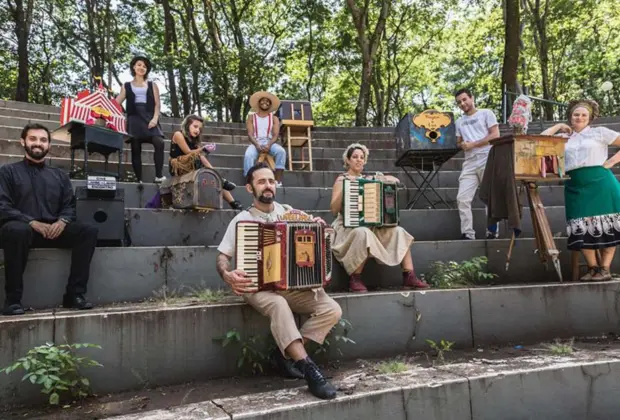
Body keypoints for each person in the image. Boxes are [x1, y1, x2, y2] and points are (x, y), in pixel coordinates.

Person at [216, 162, 340, 400]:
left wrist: (317, 228)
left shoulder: (289, 211)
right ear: (250, 188)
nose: (268, 186)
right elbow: (222, 256)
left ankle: (284, 355)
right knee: (278, 305)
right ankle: (310, 370)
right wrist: (227, 274)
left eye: (271, 181)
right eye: (261, 181)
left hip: (290, 285)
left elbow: (312, 241)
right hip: (257, 286)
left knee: (331, 309)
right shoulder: (242, 219)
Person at [0, 124, 98, 315]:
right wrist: (31, 222)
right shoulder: (7, 172)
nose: (38, 143)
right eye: (33, 139)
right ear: (23, 142)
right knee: (16, 230)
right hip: (22, 230)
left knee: (88, 231)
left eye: (43, 140)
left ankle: (74, 295)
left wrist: (62, 222)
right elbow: (3, 205)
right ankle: (12, 300)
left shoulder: (59, 176)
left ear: (49, 145)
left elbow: (70, 206)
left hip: (53, 230)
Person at [329, 143, 430, 293]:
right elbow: (333, 210)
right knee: (362, 232)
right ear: (348, 160)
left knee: (398, 231)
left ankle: (409, 276)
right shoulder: (341, 179)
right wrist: (345, 188)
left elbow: (394, 180)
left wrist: (385, 178)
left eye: (362, 157)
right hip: (347, 227)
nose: (359, 160)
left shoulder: (369, 178)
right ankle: (355, 278)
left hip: (372, 226)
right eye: (355, 157)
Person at [542, 99, 620, 281]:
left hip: (601, 184)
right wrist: (559, 126)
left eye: (584, 114)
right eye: (576, 114)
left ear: (590, 117)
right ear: (570, 117)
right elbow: (542, 141)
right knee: (580, 225)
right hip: (575, 185)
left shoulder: (599, 133)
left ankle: (605, 269)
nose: (580, 117)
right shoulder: (563, 138)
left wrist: (611, 162)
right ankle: (593, 268)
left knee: (608, 224)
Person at [454, 88, 501, 240]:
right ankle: (467, 233)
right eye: (459, 102)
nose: (462, 103)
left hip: (487, 158)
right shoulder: (459, 122)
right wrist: (463, 145)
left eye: (464, 99)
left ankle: (492, 231)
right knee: (462, 198)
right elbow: (458, 142)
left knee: (489, 197)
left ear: (471, 98)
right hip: (469, 162)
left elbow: (495, 135)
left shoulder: (486, 113)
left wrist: (473, 144)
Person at [169, 115, 243, 210]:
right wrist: (203, 149)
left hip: (193, 165)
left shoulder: (194, 140)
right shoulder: (178, 134)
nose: (197, 130)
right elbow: (188, 152)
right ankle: (221, 181)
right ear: (187, 125)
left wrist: (214, 173)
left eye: (199, 128)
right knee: (196, 156)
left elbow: (202, 157)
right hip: (178, 167)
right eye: (195, 126)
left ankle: (233, 202)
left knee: (213, 176)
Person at [115, 56, 166, 184]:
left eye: (144, 66)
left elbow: (157, 104)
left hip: (149, 117)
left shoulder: (152, 85)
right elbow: (116, 103)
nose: (142, 68)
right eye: (139, 65)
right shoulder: (126, 86)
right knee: (135, 148)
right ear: (134, 67)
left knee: (159, 142)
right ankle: (139, 179)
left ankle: (159, 176)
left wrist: (155, 118)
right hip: (134, 118)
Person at [244, 91, 287, 186]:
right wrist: (256, 144)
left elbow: (276, 135)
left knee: (281, 152)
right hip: (255, 142)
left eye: (268, 101)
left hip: (269, 141)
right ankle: (249, 181)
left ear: (270, 104)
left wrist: (269, 145)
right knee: (248, 156)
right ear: (258, 103)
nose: (265, 102)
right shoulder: (251, 117)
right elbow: (250, 134)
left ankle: (277, 181)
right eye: (262, 101)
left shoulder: (274, 118)